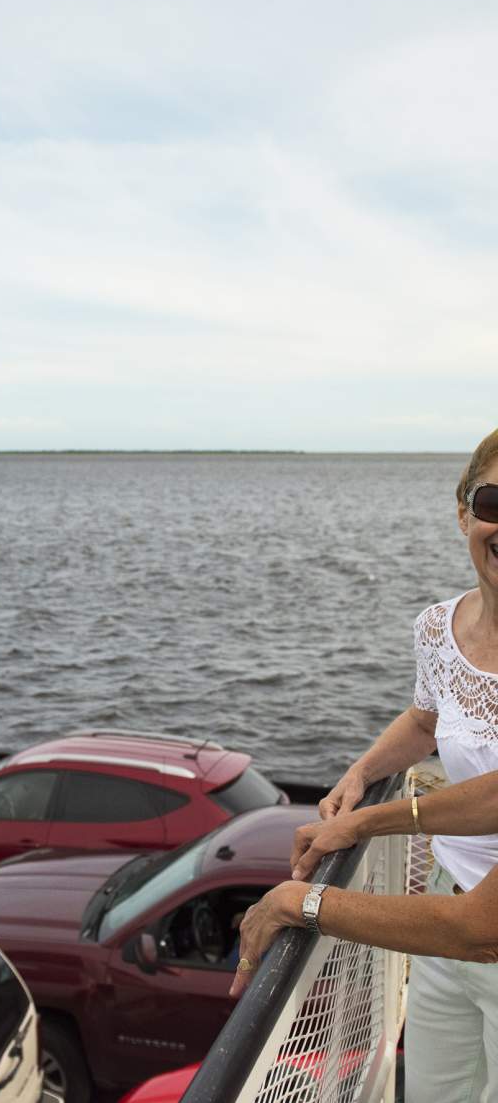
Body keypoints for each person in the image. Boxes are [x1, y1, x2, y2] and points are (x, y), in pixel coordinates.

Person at [231, 428, 498, 1103]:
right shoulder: (441, 627)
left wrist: (302, 898)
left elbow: (481, 930)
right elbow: (426, 719)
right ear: (464, 511)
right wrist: (361, 771)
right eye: (495, 499)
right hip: (445, 897)